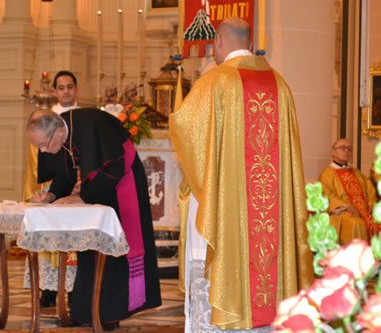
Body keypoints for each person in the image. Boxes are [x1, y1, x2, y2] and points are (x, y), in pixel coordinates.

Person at [169, 17, 314, 331]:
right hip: (271, 219)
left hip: (224, 213)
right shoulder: (280, 84)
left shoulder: (214, 81)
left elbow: (184, 129)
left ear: (219, 41)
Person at [27, 108, 161, 328]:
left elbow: (115, 165)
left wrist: (83, 196)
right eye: (37, 146)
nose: (43, 150)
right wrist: (51, 194)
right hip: (93, 192)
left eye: (43, 144)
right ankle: (83, 313)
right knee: (88, 249)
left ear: (59, 130)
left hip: (121, 187)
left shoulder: (93, 123)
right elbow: (64, 175)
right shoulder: (57, 138)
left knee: (114, 250)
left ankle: (108, 315)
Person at [22, 70, 80, 308]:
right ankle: (48, 287)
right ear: (55, 91)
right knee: (50, 239)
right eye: (61, 87)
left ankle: (74, 287)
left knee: (75, 240)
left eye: (70, 86)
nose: (65, 91)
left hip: (77, 190)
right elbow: (39, 157)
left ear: (76, 89)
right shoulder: (47, 119)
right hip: (56, 185)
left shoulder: (82, 119)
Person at [318, 139, 378, 244]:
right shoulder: (327, 173)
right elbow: (326, 194)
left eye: (349, 149)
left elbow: (370, 190)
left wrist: (371, 204)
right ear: (333, 152)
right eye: (342, 148)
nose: (346, 151)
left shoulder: (356, 172)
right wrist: (345, 206)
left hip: (364, 211)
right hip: (343, 213)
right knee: (357, 224)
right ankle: (359, 259)